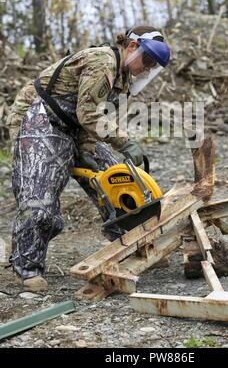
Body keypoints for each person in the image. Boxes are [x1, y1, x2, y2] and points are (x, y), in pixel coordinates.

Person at [6, 26, 171, 290]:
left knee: (116, 176)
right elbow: (88, 114)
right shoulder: (102, 62)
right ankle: (27, 266)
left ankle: (131, 240)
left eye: (154, 65)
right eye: (148, 60)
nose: (148, 69)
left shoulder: (124, 81)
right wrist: (124, 141)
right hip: (40, 118)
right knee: (40, 199)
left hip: (74, 125)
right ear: (131, 47)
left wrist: (87, 147)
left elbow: (97, 117)